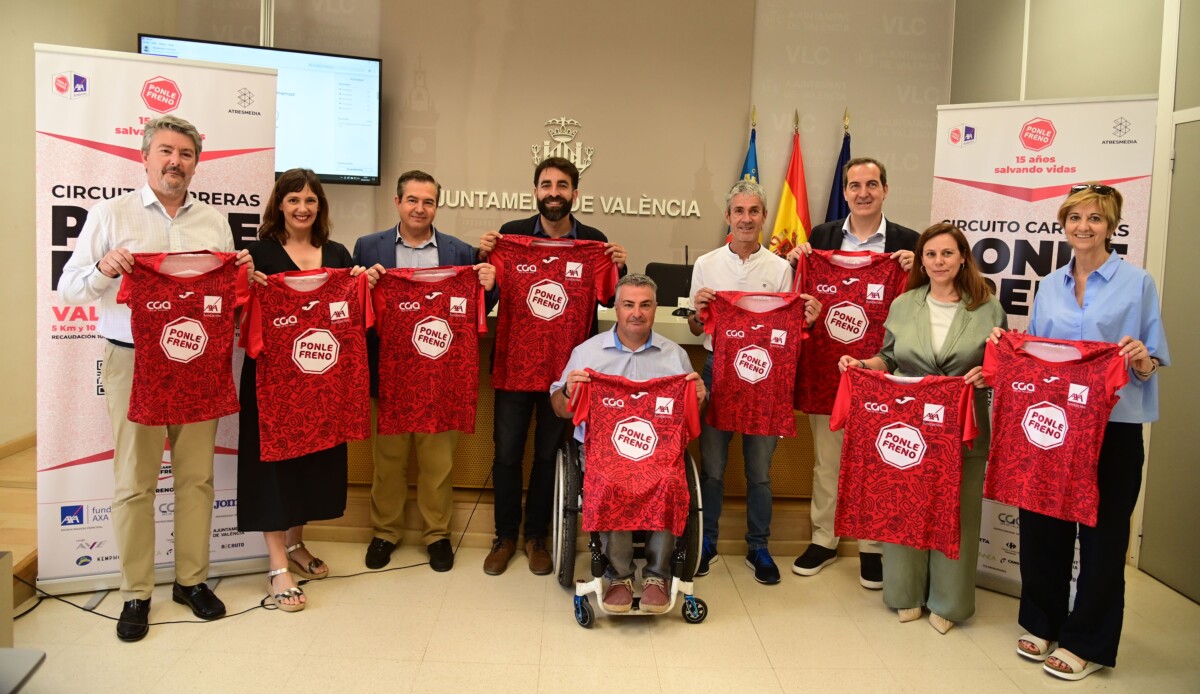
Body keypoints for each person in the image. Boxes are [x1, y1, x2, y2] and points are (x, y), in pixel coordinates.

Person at [59, 115, 252, 640]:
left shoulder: (214, 221)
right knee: (134, 484)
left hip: (199, 364)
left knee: (197, 478)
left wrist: (242, 273)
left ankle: (192, 581)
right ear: (144, 156)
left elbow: (228, 298)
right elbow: (69, 289)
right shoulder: (111, 214)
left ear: (196, 163)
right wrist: (105, 268)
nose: (175, 162)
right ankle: (135, 593)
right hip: (134, 361)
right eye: (166, 151)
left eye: (186, 154)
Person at [1007, 184, 1168, 681]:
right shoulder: (1050, 284)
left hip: (1112, 428)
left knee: (1102, 535)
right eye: (1075, 217)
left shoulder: (1137, 282)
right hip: (1052, 425)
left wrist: (1142, 359)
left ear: (1111, 225)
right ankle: (1041, 620)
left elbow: (1153, 357)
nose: (1083, 226)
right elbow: (1035, 350)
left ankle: (1088, 640)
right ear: (1063, 223)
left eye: (1095, 219)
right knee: (1042, 523)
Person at [839, 222, 1006, 633]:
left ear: (963, 258)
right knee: (904, 508)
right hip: (908, 425)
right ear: (923, 260)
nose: (938, 262)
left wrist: (988, 374)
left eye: (947, 253)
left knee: (959, 514)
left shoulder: (988, 307)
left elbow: (1002, 366)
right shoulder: (905, 303)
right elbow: (890, 357)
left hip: (964, 426)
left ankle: (949, 602)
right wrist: (862, 366)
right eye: (931, 254)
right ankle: (904, 593)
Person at [476, 157, 627, 576]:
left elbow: (610, 300)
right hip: (514, 366)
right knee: (506, 455)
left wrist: (618, 265)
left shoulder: (594, 243)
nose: (554, 192)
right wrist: (483, 259)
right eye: (546, 185)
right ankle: (505, 535)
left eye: (562, 185)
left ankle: (536, 536)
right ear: (536, 191)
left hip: (567, 373)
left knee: (548, 456)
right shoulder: (510, 237)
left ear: (575, 193)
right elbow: (486, 298)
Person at [237, 168, 374, 611]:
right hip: (272, 386)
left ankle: (296, 544)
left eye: (311, 200)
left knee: (313, 467)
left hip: (324, 386)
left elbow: (356, 316)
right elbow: (235, 316)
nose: (302, 208)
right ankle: (276, 563)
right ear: (279, 204)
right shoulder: (257, 255)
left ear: (321, 207)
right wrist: (246, 287)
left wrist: (362, 285)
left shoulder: (337, 253)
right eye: (294, 199)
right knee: (275, 468)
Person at [352, 170, 495, 573]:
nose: (420, 208)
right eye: (412, 200)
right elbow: (351, 305)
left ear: (437, 206)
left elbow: (481, 302)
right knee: (388, 461)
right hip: (390, 374)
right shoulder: (367, 247)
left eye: (428, 201)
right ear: (397, 202)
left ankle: (437, 535)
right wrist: (363, 283)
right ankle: (385, 533)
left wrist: (491, 281)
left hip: (441, 378)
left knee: (437, 464)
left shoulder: (460, 252)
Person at [787, 156, 917, 589]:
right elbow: (799, 297)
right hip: (830, 368)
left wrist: (914, 268)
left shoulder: (908, 243)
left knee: (878, 457)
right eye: (855, 185)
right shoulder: (822, 237)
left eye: (872, 184)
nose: (863, 192)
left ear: (885, 190)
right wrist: (797, 259)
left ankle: (873, 547)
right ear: (844, 192)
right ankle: (824, 539)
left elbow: (927, 298)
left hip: (885, 368)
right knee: (828, 461)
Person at [550, 274, 706, 612]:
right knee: (609, 479)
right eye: (629, 305)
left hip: (658, 454)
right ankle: (618, 575)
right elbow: (560, 409)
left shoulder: (674, 356)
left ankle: (656, 575)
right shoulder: (587, 353)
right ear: (616, 309)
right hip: (603, 452)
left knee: (669, 479)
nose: (637, 312)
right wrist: (567, 392)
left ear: (654, 309)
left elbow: (689, 413)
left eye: (645, 305)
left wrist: (699, 397)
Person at [689, 179, 819, 585]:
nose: (746, 219)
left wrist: (807, 317)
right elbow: (696, 329)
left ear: (764, 218)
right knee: (712, 468)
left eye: (754, 212)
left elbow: (789, 331)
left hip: (767, 377)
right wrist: (699, 312)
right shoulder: (705, 264)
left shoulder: (781, 269)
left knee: (760, 471)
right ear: (728, 217)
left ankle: (758, 546)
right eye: (739, 212)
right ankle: (706, 542)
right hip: (718, 372)